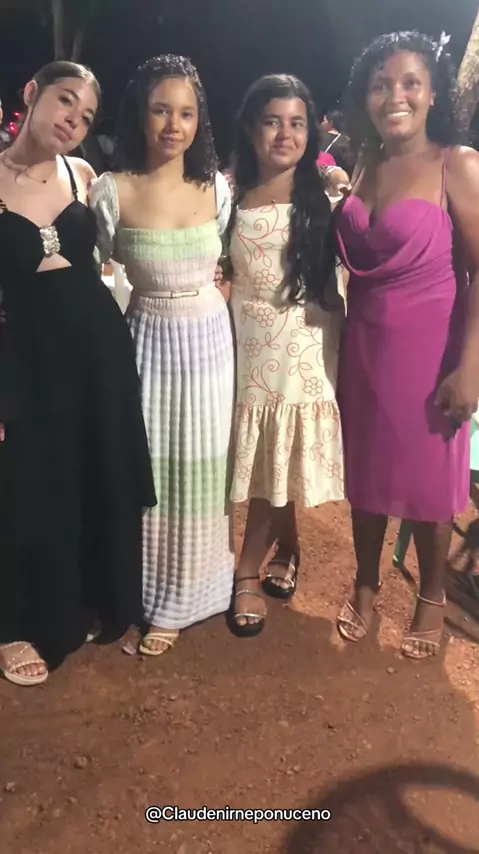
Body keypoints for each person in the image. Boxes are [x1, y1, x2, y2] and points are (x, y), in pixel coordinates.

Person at [0, 61, 156, 685]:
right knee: (28, 485)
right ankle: (17, 624)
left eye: (87, 116)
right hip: (26, 356)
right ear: (31, 93)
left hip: (97, 349)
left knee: (91, 472)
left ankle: (95, 596)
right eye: (66, 101)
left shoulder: (83, 175)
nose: (74, 120)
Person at [335, 31, 479, 659]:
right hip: (363, 348)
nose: (394, 95)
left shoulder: (457, 164)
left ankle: (431, 596)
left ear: (433, 93)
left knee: (427, 486)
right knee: (365, 475)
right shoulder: (364, 162)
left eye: (410, 83)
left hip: (431, 355)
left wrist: (471, 367)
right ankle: (366, 584)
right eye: (380, 84)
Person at [90, 55, 235, 656]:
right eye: (160, 110)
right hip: (145, 337)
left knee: (201, 467)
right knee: (146, 466)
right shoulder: (111, 190)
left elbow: (229, 264)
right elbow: (90, 273)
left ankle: (192, 592)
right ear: (139, 115)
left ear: (200, 120)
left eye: (186, 113)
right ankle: (139, 591)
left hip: (208, 342)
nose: (174, 125)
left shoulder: (216, 188)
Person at [224, 74, 345, 636]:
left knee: (276, 445)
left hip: (299, 343)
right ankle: (290, 546)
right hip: (243, 339)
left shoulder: (323, 200)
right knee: (272, 452)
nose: (284, 134)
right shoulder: (227, 195)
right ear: (251, 128)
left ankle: (247, 568)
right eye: (272, 121)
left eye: (297, 123)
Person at [319, 109, 351, 174]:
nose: (322, 123)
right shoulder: (346, 141)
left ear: (331, 122)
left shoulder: (320, 137)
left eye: (324, 120)